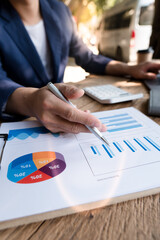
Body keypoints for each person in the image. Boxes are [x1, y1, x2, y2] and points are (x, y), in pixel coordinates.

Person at [0, 0, 160, 134]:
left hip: (63, 120)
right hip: (18, 122)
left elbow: (87, 57)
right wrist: (31, 101)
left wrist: (130, 69)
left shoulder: (60, 10)